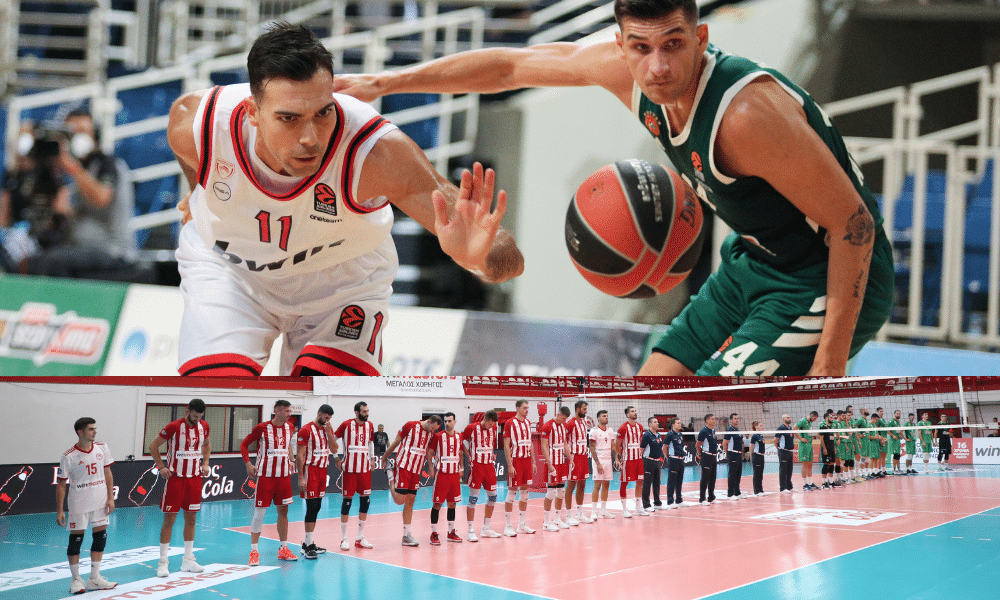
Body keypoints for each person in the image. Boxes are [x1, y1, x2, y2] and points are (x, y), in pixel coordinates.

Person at [334, 0, 894, 378]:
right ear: (622, 45)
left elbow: (855, 225)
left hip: (827, 276)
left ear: (700, 38)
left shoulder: (744, 116)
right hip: (752, 261)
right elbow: (510, 67)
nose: (658, 67)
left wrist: (829, 367)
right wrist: (386, 82)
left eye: (673, 44)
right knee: (649, 401)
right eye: (641, 48)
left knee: (709, 424)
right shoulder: (623, 69)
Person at [167, 23, 523, 376]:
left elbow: (510, 259)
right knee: (217, 400)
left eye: (323, 113)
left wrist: (477, 260)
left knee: (325, 408)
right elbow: (192, 156)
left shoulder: (376, 154)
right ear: (252, 113)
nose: (310, 137)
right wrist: (199, 190)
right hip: (232, 274)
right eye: (289, 118)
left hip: (342, 287)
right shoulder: (196, 124)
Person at [25, 109, 146, 282]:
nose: (76, 137)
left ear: (95, 135)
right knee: (32, 260)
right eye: (71, 132)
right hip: (79, 248)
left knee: (52, 262)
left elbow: (102, 199)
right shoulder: (77, 171)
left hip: (112, 250)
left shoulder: (108, 164)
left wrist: (72, 166)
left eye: (82, 131)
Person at [149, 399, 210, 576]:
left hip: (195, 479)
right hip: (175, 479)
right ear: (187, 411)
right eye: (194, 416)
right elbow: (153, 446)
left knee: (191, 519)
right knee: (169, 520)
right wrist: (161, 466)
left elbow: (206, 445)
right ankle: (163, 562)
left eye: (199, 417)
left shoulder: (204, 426)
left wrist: (205, 463)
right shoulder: (174, 427)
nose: (197, 419)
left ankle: (188, 560)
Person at [56, 417, 117, 594]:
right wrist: (60, 510)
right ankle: (76, 580)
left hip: (100, 501)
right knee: (76, 540)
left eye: (94, 428)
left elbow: (108, 472)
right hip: (79, 503)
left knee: (100, 536)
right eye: (91, 429)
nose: (94, 432)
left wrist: (111, 498)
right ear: (80, 432)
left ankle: (94, 578)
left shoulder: (102, 448)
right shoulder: (68, 456)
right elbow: (61, 484)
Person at [241, 400, 298, 566]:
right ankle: (254, 551)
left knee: (284, 511)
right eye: (287, 411)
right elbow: (244, 444)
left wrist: (292, 460)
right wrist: (248, 464)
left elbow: (288, 445)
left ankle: (283, 548)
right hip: (265, 476)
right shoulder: (262, 428)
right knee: (260, 513)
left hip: (284, 477)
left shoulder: (290, 427)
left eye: (290, 411)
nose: (289, 414)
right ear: (277, 411)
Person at [382, 415, 443, 546]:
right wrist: (384, 457)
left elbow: (429, 452)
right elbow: (396, 442)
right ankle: (390, 475)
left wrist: (430, 468)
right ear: (428, 422)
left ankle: (406, 535)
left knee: (410, 501)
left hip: (416, 469)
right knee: (399, 500)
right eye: (432, 428)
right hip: (404, 466)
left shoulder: (431, 434)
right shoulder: (410, 425)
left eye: (435, 429)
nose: (432, 431)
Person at [333, 401, 376, 550]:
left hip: (365, 469)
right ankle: (344, 538)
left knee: (365, 502)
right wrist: (336, 458)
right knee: (347, 502)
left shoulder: (370, 425)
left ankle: (360, 537)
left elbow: (371, 443)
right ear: (357, 412)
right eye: (364, 411)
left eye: (367, 411)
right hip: (350, 470)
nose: (367, 414)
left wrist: (372, 459)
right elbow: (332, 440)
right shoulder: (346, 425)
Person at [295, 404, 336, 558]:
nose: (327, 420)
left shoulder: (327, 429)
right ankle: (307, 546)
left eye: (329, 418)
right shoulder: (306, 430)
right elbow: (300, 455)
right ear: (319, 414)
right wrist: (300, 477)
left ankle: (309, 543)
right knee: (311, 506)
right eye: (326, 417)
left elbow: (334, 449)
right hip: (310, 470)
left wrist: (329, 434)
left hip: (322, 471)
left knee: (317, 506)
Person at [462, 410, 502, 541]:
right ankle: (470, 530)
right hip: (477, 466)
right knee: (473, 498)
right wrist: (468, 454)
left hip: (489, 466)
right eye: (490, 423)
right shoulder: (472, 428)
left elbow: (490, 443)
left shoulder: (493, 428)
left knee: (493, 496)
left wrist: (491, 453)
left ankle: (486, 528)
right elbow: (460, 440)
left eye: (493, 424)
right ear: (485, 419)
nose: (491, 426)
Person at [427, 412, 464, 545]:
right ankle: (433, 533)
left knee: (452, 504)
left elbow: (460, 452)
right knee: (437, 504)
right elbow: (429, 452)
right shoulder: (438, 436)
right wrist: (431, 468)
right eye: (445, 421)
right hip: (442, 475)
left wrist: (462, 467)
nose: (447, 423)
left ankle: (451, 532)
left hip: (454, 475)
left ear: (455, 422)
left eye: (449, 421)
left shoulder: (459, 436)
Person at [502, 399, 537, 536]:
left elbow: (530, 443)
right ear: (517, 408)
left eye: (528, 408)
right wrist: (510, 464)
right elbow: (506, 445)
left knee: (525, 492)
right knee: (512, 492)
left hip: (527, 460)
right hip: (516, 460)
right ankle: (508, 526)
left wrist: (533, 462)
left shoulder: (528, 423)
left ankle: (522, 525)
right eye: (524, 408)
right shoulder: (510, 423)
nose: (527, 410)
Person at [540, 406, 571, 531]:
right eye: (563, 418)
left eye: (565, 419)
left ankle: (557, 520)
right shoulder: (547, 426)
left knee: (561, 491)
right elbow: (543, 446)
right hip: (552, 462)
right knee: (551, 492)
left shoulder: (563, 426)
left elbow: (565, 444)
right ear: (558, 414)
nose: (564, 421)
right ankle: (546, 523)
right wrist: (549, 464)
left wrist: (570, 458)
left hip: (561, 462)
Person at [615, 406, 648, 517]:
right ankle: (624, 509)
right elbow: (617, 445)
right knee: (624, 482)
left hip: (638, 459)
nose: (635, 413)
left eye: (635, 411)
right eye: (632, 411)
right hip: (627, 459)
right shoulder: (623, 428)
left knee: (640, 481)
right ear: (627, 415)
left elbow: (641, 442)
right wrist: (623, 456)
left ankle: (638, 508)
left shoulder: (640, 427)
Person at [564, 400, 593, 525]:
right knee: (571, 486)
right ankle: (568, 515)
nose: (586, 411)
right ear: (578, 409)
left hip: (583, 457)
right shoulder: (571, 423)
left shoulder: (583, 422)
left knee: (582, 485)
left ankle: (579, 514)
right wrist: (569, 457)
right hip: (574, 457)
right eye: (584, 409)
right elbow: (564, 440)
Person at [588, 409, 615, 519]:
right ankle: (593, 511)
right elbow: (592, 448)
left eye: (607, 416)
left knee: (606, 485)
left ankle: (603, 511)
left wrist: (617, 459)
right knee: (597, 485)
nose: (606, 417)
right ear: (598, 418)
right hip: (598, 460)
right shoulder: (594, 431)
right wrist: (598, 463)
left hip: (608, 460)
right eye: (604, 416)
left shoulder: (610, 430)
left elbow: (613, 445)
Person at [640, 416, 665, 510]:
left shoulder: (658, 435)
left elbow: (660, 447)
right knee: (647, 483)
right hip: (648, 461)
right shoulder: (647, 435)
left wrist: (660, 459)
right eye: (655, 422)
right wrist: (643, 461)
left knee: (657, 483)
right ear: (650, 424)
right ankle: (646, 505)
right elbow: (641, 449)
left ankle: (657, 503)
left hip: (657, 461)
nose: (657, 423)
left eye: (657, 422)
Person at [663, 417, 688, 507]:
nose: (680, 424)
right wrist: (669, 458)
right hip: (673, 459)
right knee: (672, 481)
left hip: (681, 460)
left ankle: (679, 500)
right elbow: (664, 447)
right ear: (673, 424)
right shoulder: (669, 434)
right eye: (678, 423)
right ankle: (670, 501)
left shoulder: (680, 434)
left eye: (680, 423)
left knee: (679, 480)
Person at [696, 414, 719, 505]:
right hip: (707, 456)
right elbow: (698, 445)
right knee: (705, 478)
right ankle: (702, 499)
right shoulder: (703, 431)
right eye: (712, 419)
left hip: (713, 456)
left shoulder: (713, 431)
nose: (714, 420)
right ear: (707, 421)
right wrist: (702, 454)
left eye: (714, 419)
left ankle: (711, 497)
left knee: (713, 478)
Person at [721, 412, 744, 500]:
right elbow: (724, 443)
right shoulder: (729, 430)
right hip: (732, 453)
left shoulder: (739, 431)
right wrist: (728, 454)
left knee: (738, 473)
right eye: (735, 418)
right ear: (731, 420)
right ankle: (730, 494)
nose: (737, 420)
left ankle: (737, 492)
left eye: (737, 418)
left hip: (739, 454)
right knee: (732, 474)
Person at [795, 412, 819, 490]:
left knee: (810, 465)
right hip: (804, 445)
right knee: (805, 465)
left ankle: (810, 483)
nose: (814, 420)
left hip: (810, 444)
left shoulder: (809, 422)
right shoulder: (803, 421)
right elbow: (794, 428)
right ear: (811, 415)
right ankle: (805, 484)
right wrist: (800, 438)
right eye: (814, 418)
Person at [817, 411, 841, 489]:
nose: (832, 419)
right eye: (831, 417)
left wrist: (834, 447)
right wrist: (824, 448)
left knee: (832, 464)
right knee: (826, 464)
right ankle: (824, 483)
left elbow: (832, 438)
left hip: (831, 448)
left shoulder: (831, 426)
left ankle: (831, 482)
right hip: (826, 448)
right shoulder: (823, 426)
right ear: (827, 418)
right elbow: (821, 438)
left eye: (832, 417)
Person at [774, 414, 794, 492]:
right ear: (783, 420)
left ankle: (789, 486)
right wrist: (779, 449)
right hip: (783, 451)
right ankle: (783, 488)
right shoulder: (780, 428)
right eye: (788, 418)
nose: (790, 418)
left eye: (790, 417)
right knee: (783, 470)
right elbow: (775, 440)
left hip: (790, 451)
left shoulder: (790, 428)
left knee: (789, 469)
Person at [749, 421, 766, 496]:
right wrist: (751, 456)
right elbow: (751, 447)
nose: (762, 427)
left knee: (761, 473)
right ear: (756, 427)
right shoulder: (754, 436)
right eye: (760, 425)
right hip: (756, 456)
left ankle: (760, 489)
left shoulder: (761, 435)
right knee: (757, 473)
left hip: (762, 456)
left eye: (762, 425)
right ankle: (756, 491)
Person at [887, 409, 902, 475]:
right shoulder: (891, 421)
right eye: (897, 413)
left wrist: (900, 436)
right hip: (893, 441)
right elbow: (888, 431)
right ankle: (894, 470)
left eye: (899, 414)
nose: (898, 415)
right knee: (895, 455)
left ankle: (899, 469)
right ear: (894, 414)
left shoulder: (898, 422)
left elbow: (898, 431)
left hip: (898, 440)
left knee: (898, 455)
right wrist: (893, 436)